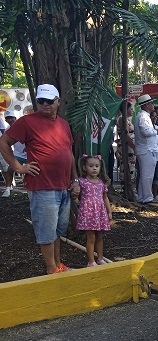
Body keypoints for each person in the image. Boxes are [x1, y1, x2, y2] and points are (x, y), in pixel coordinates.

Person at [0, 84, 80, 274]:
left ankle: (58, 264)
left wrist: (75, 179)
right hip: (42, 185)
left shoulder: (63, 124)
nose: (45, 104)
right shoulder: (27, 122)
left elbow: (68, 153)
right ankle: (51, 269)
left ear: (58, 101)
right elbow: (4, 142)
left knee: (59, 229)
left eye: (49, 101)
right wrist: (18, 167)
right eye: (41, 101)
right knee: (46, 230)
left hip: (63, 185)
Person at [75, 154, 112, 267]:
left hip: (100, 213)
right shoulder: (82, 182)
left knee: (100, 237)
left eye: (97, 166)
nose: (94, 168)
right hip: (88, 214)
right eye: (91, 166)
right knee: (91, 237)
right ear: (85, 167)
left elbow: (105, 197)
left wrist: (109, 212)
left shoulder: (101, 183)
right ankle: (91, 261)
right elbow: (77, 197)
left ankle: (100, 258)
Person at [134, 94, 158, 203]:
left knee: (145, 175)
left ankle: (142, 196)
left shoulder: (144, 116)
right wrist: (156, 131)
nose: (153, 105)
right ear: (147, 105)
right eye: (151, 103)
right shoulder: (143, 117)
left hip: (147, 149)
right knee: (147, 175)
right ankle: (147, 197)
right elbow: (145, 132)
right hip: (146, 149)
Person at [115, 101, 136, 189]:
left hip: (130, 146)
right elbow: (126, 135)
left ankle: (129, 187)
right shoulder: (122, 119)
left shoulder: (127, 120)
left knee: (130, 166)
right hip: (127, 146)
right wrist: (133, 146)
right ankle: (126, 188)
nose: (132, 111)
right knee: (127, 166)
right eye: (131, 109)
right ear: (125, 110)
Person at [0, 110, 19, 197]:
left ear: (15, 118)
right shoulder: (8, 130)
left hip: (29, 153)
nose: (10, 120)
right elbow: (5, 143)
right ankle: (8, 189)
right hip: (18, 154)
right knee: (10, 170)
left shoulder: (22, 126)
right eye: (7, 118)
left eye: (11, 118)